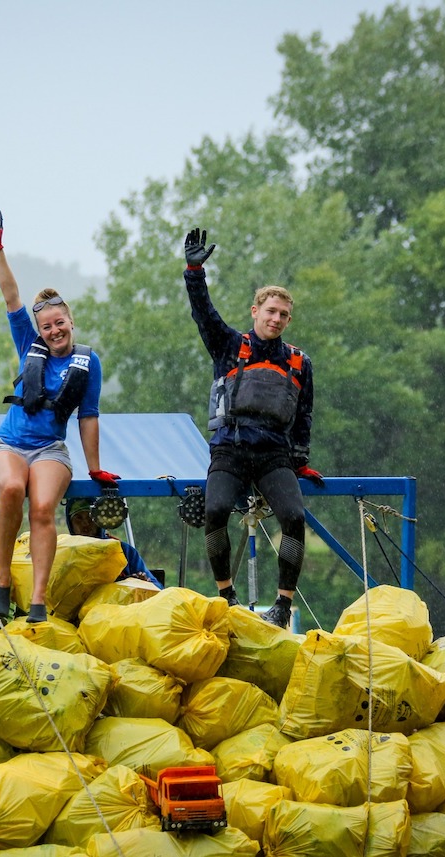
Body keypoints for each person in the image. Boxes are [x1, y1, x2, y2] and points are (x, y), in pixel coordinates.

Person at [182, 227, 324, 629]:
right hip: (230, 447)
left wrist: (301, 461)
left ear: (288, 319)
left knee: (294, 517)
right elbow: (203, 313)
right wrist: (195, 271)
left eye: (283, 315)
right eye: (270, 312)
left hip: (272, 454)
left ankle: (282, 603)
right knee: (214, 510)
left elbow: (305, 415)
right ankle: (227, 595)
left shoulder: (299, 362)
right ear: (255, 312)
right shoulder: (230, 346)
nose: (276, 319)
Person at [0, 210, 119, 623]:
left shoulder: (87, 363)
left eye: (60, 323)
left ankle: (38, 599)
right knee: (11, 489)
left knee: (42, 507)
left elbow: (88, 416)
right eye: (47, 327)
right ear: (38, 331)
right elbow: (11, 297)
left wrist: (94, 470)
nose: (54, 331)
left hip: (50, 450)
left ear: (71, 322)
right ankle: (3, 580)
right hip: (9, 445)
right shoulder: (28, 342)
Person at [64, 496, 162, 587]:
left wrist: (144, 583)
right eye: (78, 518)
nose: (85, 523)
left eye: (90, 517)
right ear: (70, 523)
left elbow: (158, 588)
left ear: (99, 520)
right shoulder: (64, 555)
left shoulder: (123, 550)